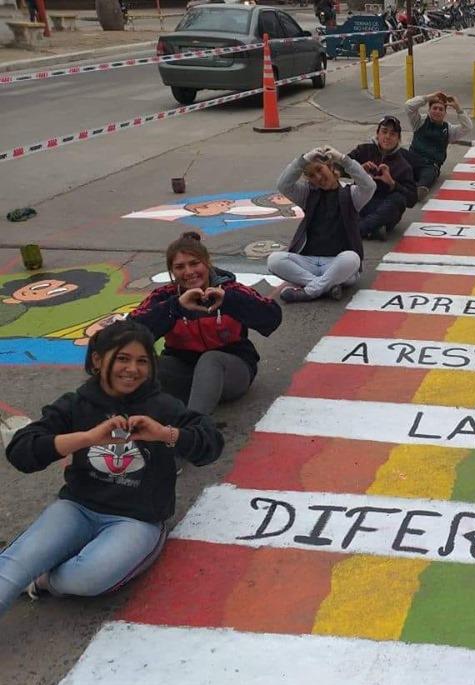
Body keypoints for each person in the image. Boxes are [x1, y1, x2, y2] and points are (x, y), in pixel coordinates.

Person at [0, 320, 223, 617]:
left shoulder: (162, 405)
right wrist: (86, 438)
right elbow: (21, 451)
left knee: (87, 576)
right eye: (122, 358)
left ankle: (42, 579)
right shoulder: (76, 403)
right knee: (15, 565)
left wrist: (164, 434)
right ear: (97, 359)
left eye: (142, 361)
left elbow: (211, 442)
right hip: (77, 508)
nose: (132, 369)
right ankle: (31, 567)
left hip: (136, 520)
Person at [130, 232, 282, 414]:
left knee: (210, 359)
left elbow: (272, 317)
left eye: (195, 263)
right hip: (185, 372)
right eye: (179, 267)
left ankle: (194, 427)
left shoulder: (230, 290)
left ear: (207, 263)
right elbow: (127, 333)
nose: (188, 272)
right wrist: (175, 307)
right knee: (135, 361)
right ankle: (113, 419)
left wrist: (230, 301)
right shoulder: (164, 296)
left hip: (230, 373)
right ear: (172, 271)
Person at [267, 145, 376, 303]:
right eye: (311, 175)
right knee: (274, 260)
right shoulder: (308, 193)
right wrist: (303, 161)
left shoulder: (351, 194)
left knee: (352, 258)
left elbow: (369, 186)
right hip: (309, 261)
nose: (318, 177)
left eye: (319, 169)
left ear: (330, 167)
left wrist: (344, 160)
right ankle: (325, 286)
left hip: (337, 262)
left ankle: (309, 291)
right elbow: (283, 185)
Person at [347, 116, 417, 241]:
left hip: (383, 208)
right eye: (384, 132)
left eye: (393, 134)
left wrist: (392, 183)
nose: (388, 137)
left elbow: (412, 199)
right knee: (342, 192)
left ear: (398, 138)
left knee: (398, 199)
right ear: (377, 134)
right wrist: (358, 169)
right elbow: (338, 167)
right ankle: (372, 229)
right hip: (361, 202)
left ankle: (356, 229)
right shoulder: (363, 150)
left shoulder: (403, 164)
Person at [403, 89, 473, 202]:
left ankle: (419, 190)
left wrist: (458, 108)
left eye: (441, 109)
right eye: (434, 108)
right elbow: (408, 105)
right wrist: (428, 97)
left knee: (429, 175)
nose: (437, 111)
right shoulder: (419, 121)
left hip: (430, 165)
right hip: (413, 158)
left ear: (445, 113)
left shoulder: (449, 129)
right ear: (429, 110)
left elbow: (467, 128)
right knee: (399, 154)